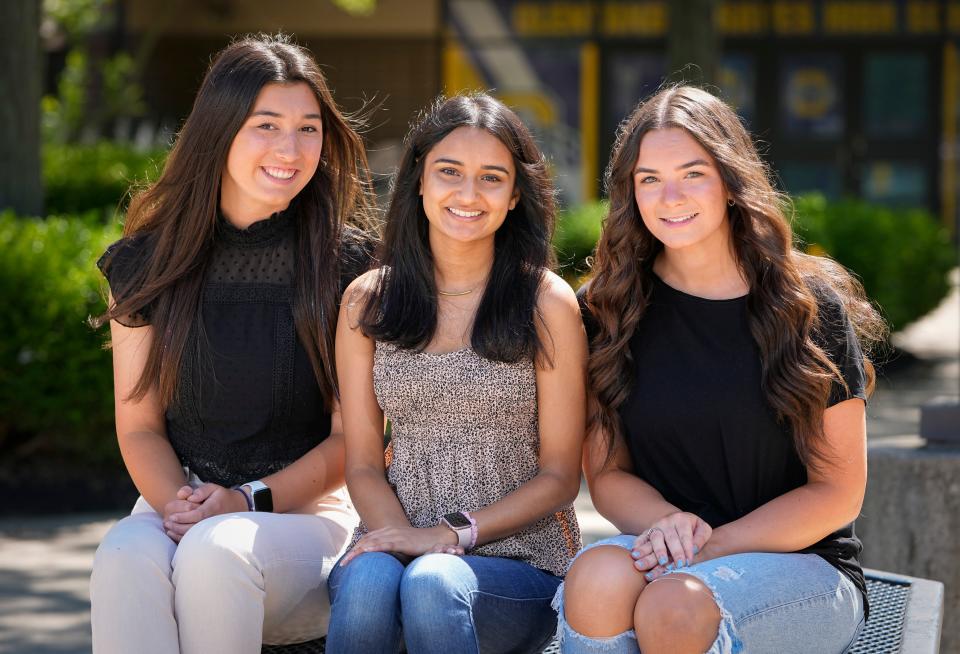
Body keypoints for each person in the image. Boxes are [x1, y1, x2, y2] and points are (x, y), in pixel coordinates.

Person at [555, 85, 886, 654]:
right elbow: (607, 475)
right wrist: (668, 524)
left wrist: (710, 547)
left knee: (674, 603)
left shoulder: (807, 305)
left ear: (731, 181)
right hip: (665, 543)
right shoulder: (606, 308)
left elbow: (836, 493)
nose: (671, 196)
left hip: (802, 566)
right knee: (596, 579)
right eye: (649, 179)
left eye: (693, 174)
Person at [89, 34, 375, 653]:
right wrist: (184, 508)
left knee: (217, 555)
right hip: (184, 501)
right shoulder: (146, 264)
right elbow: (138, 424)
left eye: (308, 129)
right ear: (218, 132)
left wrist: (245, 502)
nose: (290, 149)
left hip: (309, 519)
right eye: (265, 125)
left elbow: (349, 437)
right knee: (122, 554)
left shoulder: (351, 268)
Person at [327, 93, 587, 654]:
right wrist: (401, 539)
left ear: (515, 196)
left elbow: (562, 476)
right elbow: (364, 463)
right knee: (373, 582)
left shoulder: (545, 302)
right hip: (395, 540)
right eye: (449, 172)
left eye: (491, 178)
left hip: (523, 559)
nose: (468, 195)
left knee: (434, 581)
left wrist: (447, 537)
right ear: (419, 180)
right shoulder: (367, 302)